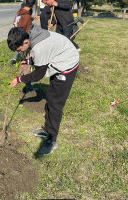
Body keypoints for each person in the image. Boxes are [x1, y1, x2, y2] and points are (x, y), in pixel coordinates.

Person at [7, 25, 79, 155]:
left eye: (19, 49)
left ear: (26, 42)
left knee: (55, 104)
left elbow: (37, 75)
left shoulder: (39, 46)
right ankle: (47, 129)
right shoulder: (32, 35)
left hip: (67, 65)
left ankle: (52, 139)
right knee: (50, 97)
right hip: (58, 59)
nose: (19, 52)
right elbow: (43, 54)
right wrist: (29, 60)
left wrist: (19, 80)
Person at [9, 0, 37, 92]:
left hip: (15, 39)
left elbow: (19, 24)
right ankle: (28, 87)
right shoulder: (27, 16)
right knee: (27, 64)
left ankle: (20, 79)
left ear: (25, 1)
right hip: (22, 42)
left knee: (24, 62)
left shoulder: (20, 12)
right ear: (33, 5)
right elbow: (25, 30)